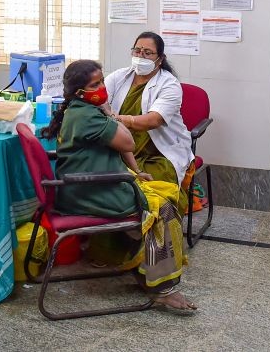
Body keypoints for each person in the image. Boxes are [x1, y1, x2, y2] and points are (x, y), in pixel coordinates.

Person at [40, 59, 197, 311]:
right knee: (162, 209)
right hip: (90, 191)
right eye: (96, 83)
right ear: (81, 92)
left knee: (162, 192)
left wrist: (136, 172)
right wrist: (107, 111)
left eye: (102, 80)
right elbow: (128, 142)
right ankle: (161, 287)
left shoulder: (80, 109)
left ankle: (144, 270)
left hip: (89, 186)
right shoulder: (87, 116)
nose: (103, 86)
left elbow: (120, 147)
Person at [105, 31, 196, 212]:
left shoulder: (169, 84)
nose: (141, 56)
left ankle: (156, 233)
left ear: (160, 58)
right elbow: (100, 103)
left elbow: (154, 120)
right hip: (122, 151)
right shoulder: (119, 77)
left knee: (153, 194)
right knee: (109, 188)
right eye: (137, 51)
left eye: (147, 53)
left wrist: (121, 119)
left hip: (160, 154)